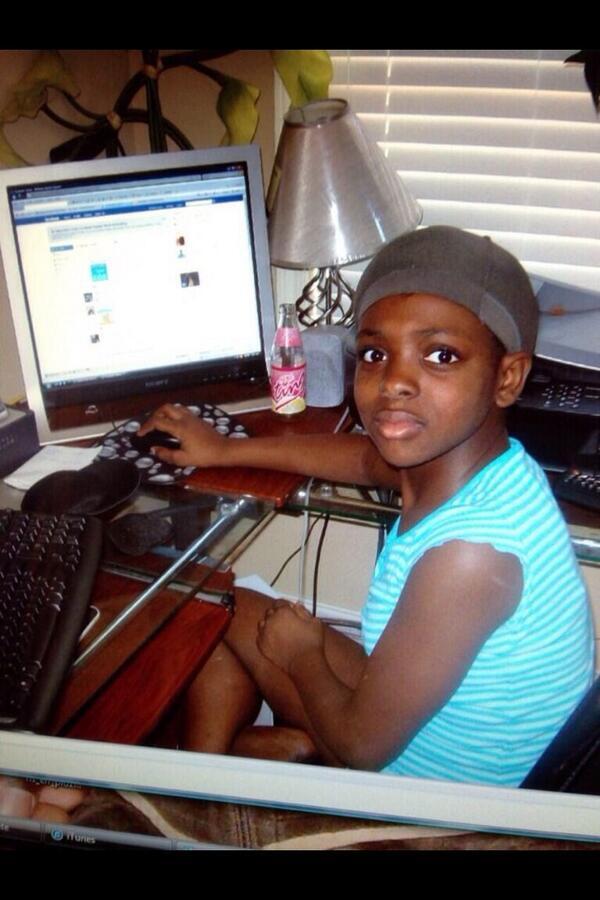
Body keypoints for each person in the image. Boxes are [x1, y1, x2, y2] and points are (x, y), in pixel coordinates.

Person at [139, 226, 594, 786]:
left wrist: (304, 654)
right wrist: (225, 451)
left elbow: (361, 749)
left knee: (221, 610)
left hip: (426, 791)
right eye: (376, 353)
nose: (394, 381)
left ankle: (193, 793)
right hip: (420, 725)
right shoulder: (478, 467)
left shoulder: (469, 556)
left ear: (507, 378)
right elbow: (360, 458)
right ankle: (208, 777)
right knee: (219, 603)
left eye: (441, 355)